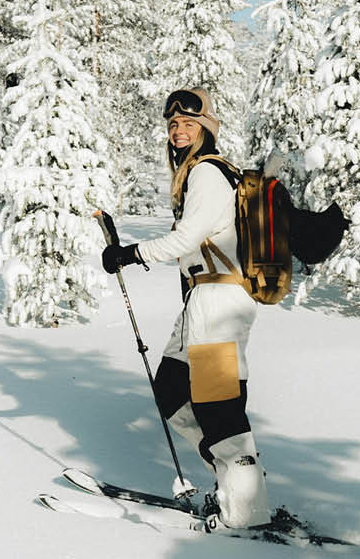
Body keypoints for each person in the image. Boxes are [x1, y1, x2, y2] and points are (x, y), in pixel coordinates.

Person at [100, 87, 267, 528]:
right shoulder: (199, 173)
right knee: (171, 392)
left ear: (206, 128)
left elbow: (186, 238)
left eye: (188, 124)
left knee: (218, 406)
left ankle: (248, 510)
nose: (178, 131)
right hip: (202, 301)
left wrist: (130, 253)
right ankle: (231, 481)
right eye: (173, 125)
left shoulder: (207, 174)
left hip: (220, 303)